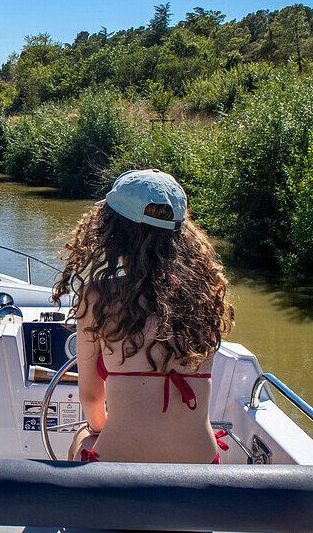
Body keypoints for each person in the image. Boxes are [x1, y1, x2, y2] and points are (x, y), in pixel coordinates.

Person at [53, 169, 234, 464]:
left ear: (113, 231)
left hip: (120, 464)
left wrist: (98, 429)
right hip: (201, 465)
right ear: (180, 235)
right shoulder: (205, 295)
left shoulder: (98, 297)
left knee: (82, 438)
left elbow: (90, 398)